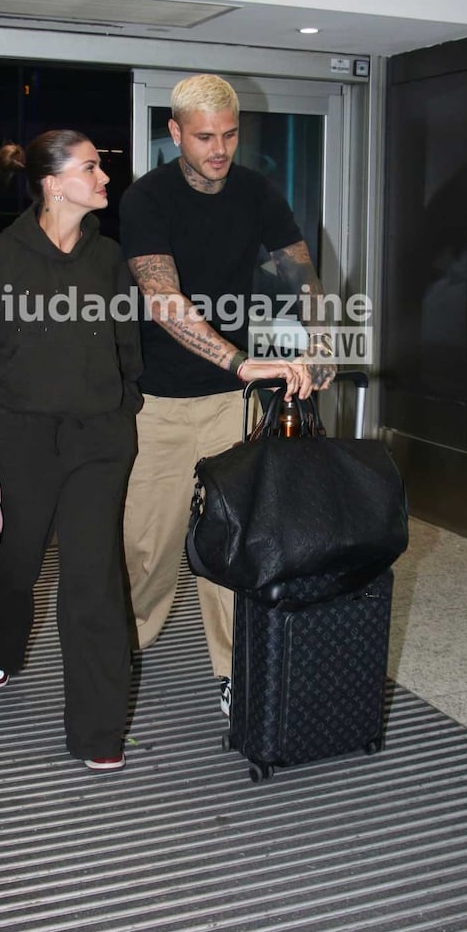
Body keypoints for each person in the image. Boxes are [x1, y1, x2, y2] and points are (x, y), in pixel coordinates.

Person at [0, 130, 143, 772]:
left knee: (93, 578)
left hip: (97, 440)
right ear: (52, 183)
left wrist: (125, 408)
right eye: (92, 168)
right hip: (19, 437)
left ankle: (99, 732)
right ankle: (3, 652)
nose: (105, 178)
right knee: (12, 565)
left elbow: (128, 350)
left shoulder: (111, 262)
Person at [119, 73, 337, 715]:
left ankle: (234, 669)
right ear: (175, 132)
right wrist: (239, 361)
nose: (219, 149)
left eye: (230, 134)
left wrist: (323, 340)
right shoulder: (147, 199)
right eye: (205, 136)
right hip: (157, 405)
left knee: (232, 540)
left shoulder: (257, 192)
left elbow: (301, 273)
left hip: (228, 407)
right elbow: (162, 300)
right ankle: (126, 647)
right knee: (147, 547)